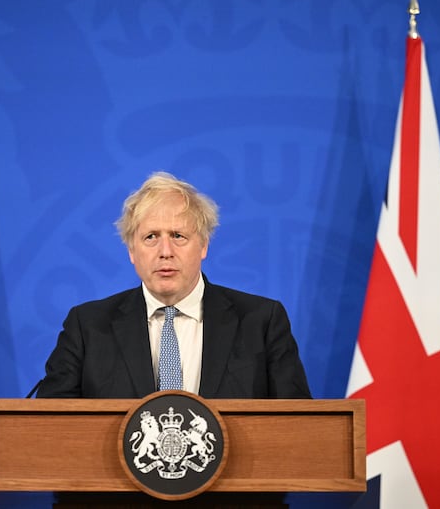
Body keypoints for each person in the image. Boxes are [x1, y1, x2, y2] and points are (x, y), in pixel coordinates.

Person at [35, 171, 311, 399]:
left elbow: (299, 424)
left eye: (178, 236)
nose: (165, 251)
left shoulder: (261, 322)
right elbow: (49, 423)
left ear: (203, 245)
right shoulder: (88, 327)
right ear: (132, 250)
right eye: (151, 237)